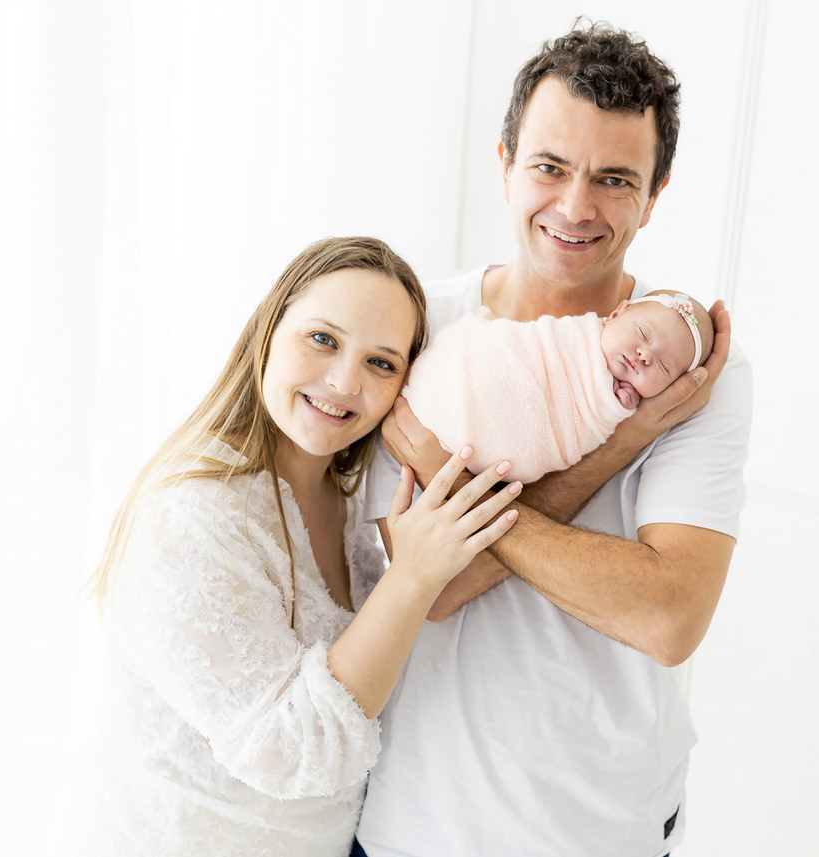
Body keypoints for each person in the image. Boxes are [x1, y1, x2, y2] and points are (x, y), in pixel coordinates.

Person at [354, 22, 753, 857]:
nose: (575, 207)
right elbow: (429, 587)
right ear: (504, 164)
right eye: (549, 166)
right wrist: (621, 443)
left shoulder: (682, 368)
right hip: (411, 821)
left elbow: (669, 617)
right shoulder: (415, 325)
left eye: (614, 179)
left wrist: (446, 474)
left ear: (655, 196)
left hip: (599, 830)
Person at [61, 237, 521, 856]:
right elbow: (288, 754)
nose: (344, 381)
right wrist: (411, 577)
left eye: (381, 363)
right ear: (269, 331)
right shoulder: (193, 517)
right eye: (323, 339)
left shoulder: (347, 496)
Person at [403, 289, 713, 482]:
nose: (645, 355)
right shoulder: (576, 335)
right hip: (486, 366)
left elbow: (589, 421)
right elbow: (539, 342)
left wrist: (615, 406)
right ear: (617, 313)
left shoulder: (625, 400)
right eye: (643, 334)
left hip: (524, 438)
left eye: (663, 366)